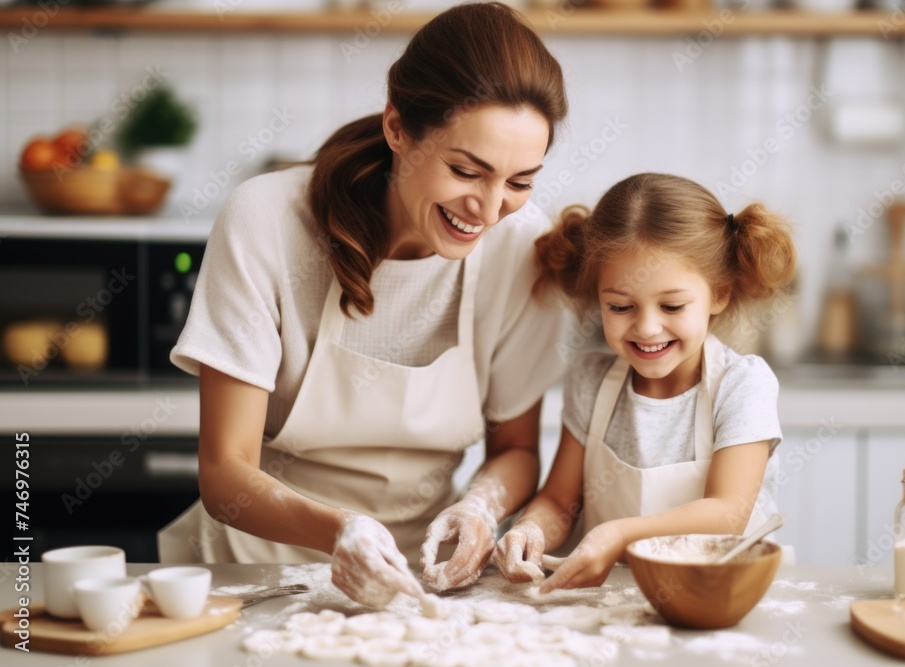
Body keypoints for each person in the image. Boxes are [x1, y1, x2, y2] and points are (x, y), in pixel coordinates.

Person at [157, 2, 568, 609]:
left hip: (426, 584)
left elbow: (515, 449)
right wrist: (339, 531)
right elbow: (225, 472)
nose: (488, 207)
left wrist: (481, 509)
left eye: (519, 181)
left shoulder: (521, 245)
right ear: (398, 128)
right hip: (248, 576)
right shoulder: (267, 220)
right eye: (465, 170)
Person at [494, 173, 797, 591]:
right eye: (620, 306)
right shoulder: (590, 382)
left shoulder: (742, 385)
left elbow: (728, 513)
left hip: (715, 598)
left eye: (672, 305)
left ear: (720, 294)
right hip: (610, 605)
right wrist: (530, 529)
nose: (648, 327)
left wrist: (617, 534)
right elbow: (560, 501)